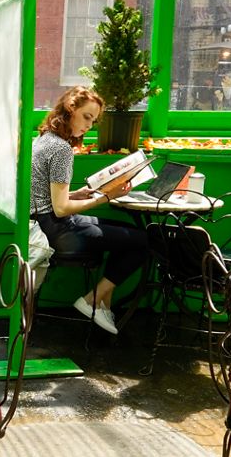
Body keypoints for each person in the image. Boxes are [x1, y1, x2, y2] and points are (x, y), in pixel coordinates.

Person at [30, 86, 148, 335]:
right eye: (86, 117)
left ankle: (101, 303)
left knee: (128, 231)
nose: (89, 126)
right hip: (59, 230)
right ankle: (92, 300)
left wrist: (76, 194)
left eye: (93, 121)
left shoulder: (44, 139)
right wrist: (106, 196)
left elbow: (44, 196)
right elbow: (61, 209)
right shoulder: (61, 149)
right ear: (71, 108)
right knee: (143, 241)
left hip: (43, 221)